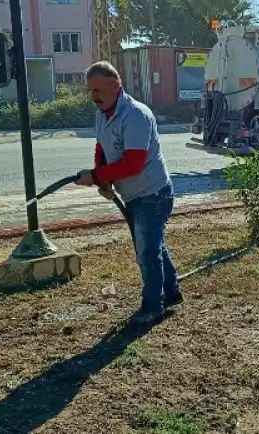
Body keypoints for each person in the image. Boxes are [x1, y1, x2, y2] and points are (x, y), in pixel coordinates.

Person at [75, 61, 183, 325]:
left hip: (152, 194)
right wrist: (102, 178)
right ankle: (172, 293)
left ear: (116, 86)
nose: (94, 97)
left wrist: (97, 177)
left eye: (98, 90)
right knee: (153, 246)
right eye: (90, 91)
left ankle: (153, 308)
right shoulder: (103, 113)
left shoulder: (135, 115)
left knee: (147, 252)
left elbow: (133, 163)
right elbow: (101, 148)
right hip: (133, 195)